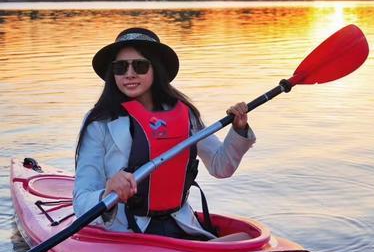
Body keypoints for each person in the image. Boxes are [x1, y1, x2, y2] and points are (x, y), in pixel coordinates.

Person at [73, 27, 255, 240]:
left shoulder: (184, 114)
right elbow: (81, 201)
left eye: (140, 66)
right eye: (120, 67)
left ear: (156, 69)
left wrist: (239, 129)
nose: (129, 73)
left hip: (180, 223)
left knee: (244, 237)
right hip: (126, 232)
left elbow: (221, 166)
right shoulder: (100, 122)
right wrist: (107, 192)